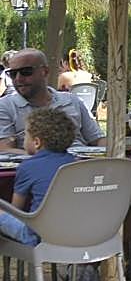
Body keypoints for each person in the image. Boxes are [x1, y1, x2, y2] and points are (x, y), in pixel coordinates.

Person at [0, 48, 105, 153]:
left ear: (45, 72)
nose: (18, 78)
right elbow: (5, 149)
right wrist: (50, 158)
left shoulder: (73, 101)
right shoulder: (5, 106)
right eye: (13, 74)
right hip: (38, 165)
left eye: (26, 72)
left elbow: (97, 139)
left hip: (80, 164)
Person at [0, 108, 77, 246]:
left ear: (36, 142)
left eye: (26, 134)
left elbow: (15, 210)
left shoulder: (28, 167)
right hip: (72, 232)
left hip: (37, 236)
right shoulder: (75, 163)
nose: (23, 139)